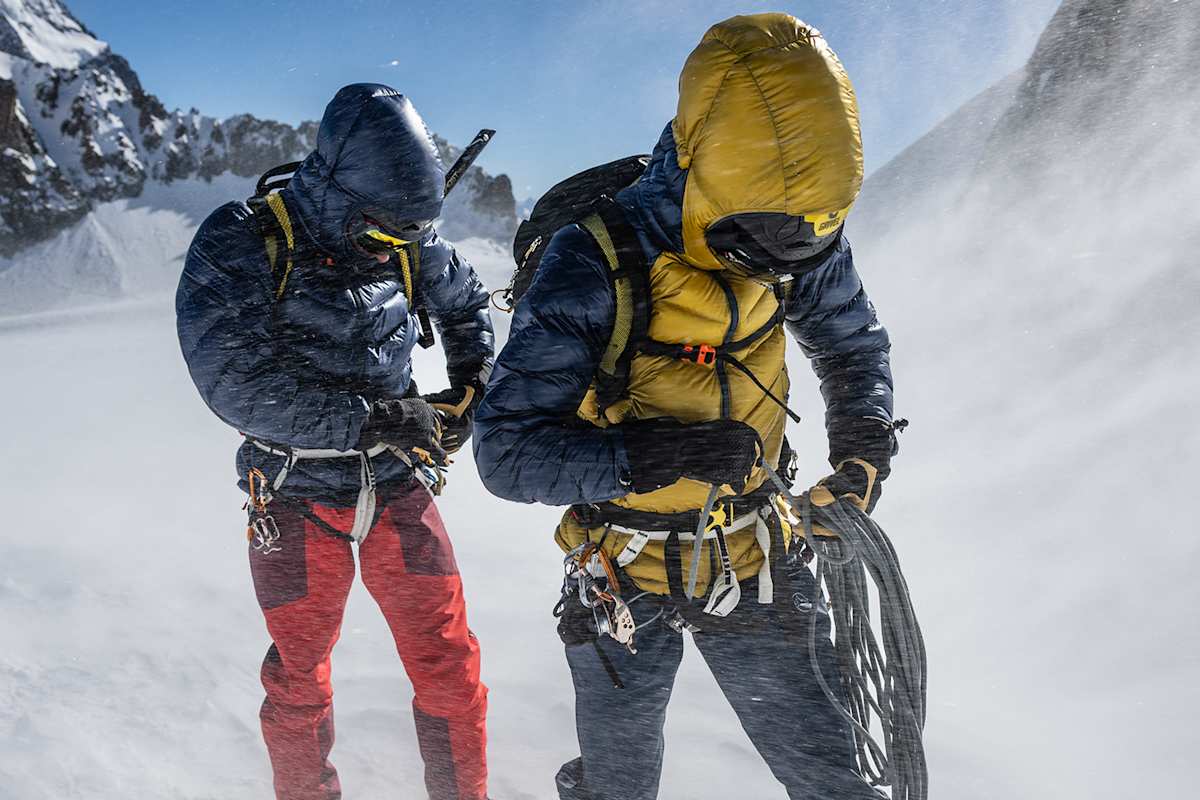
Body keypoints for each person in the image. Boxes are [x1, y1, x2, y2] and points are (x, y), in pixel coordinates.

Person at [475, 15, 896, 800]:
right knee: (619, 786)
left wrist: (864, 445)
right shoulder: (595, 257)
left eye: (807, 241)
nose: (783, 266)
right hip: (621, 572)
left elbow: (850, 345)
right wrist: (658, 457)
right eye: (762, 242)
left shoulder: (794, 231)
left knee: (834, 782)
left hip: (756, 553)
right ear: (711, 179)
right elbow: (506, 454)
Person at [176, 83, 493, 800]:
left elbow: (467, 301)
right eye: (382, 236)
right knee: (300, 673)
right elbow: (235, 387)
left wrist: (472, 383)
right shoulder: (243, 241)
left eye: (409, 238)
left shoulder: (403, 234)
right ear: (336, 195)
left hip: (396, 485)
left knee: (447, 664)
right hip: (292, 496)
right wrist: (377, 418)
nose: (394, 253)